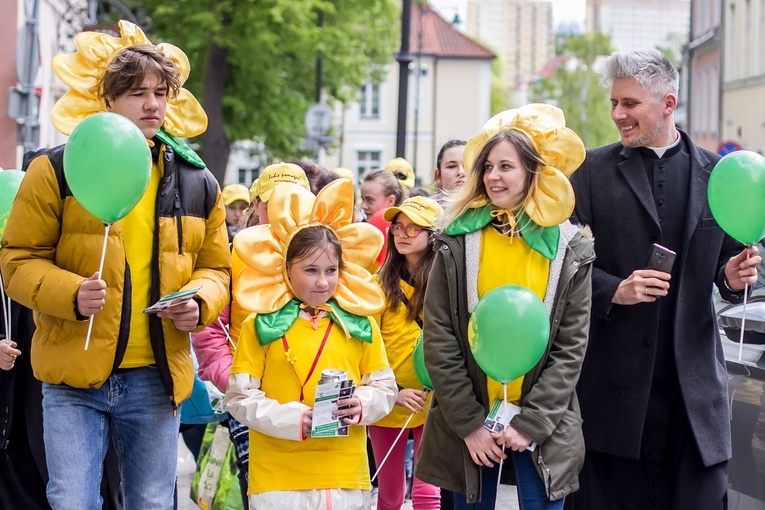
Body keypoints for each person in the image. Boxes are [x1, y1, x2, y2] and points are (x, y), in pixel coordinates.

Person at [0, 21, 231, 509]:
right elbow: (17, 259)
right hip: (71, 375)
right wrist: (70, 294)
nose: (152, 104)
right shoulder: (55, 169)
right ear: (107, 100)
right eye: (136, 93)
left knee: (151, 501)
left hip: (156, 375)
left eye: (160, 92)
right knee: (72, 500)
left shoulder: (195, 180)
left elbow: (218, 270)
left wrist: (200, 301)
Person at [565, 49, 761, 510]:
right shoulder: (590, 172)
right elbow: (559, 267)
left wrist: (731, 278)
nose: (617, 114)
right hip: (612, 396)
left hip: (693, 399)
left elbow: (731, 268)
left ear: (668, 103)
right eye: (614, 103)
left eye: (629, 104)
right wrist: (615, 288)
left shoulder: (719, 174)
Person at [415, 104, 594, 509]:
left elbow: (570, 347)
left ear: (534, 171)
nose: (493, 176)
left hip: (542, 426)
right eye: (488, 166)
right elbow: (440, 336)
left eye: (506, 166)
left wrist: (531, 423)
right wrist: (469, 424)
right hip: (469, 421)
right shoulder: (456, 241)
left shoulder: (570, 248)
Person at [224, 179, 397, 509]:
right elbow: (239, 398)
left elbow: (385, 387)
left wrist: (362, 403)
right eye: (310, 270)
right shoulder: (260, 326)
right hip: (278, 478)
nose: (323, 281)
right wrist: (293, 420)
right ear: (286, 268)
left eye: (331, 270)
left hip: (345, 475)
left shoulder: (361, 325)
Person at [370, 196, 443, 510]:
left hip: (436, 399)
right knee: (390, 494)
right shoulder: (378, 286)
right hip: (389, 401)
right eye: (398, 227)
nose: (403, 233)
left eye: (414, 228)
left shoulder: (447, 283)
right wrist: (393, 391)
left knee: (429, 492)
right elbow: (367, 350)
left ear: (433, 235)